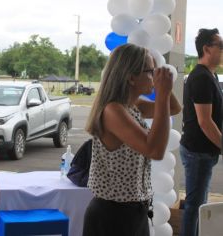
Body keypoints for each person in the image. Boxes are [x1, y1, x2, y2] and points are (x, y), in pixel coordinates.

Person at [82, 43, 181, 236]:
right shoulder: (113, 110)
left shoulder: (132, 106)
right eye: (150, 71)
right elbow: (154, 150)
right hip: (112, 216)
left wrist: (164, 88)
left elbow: (174, 108)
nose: (154, 76)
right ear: (131, 77)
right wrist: (162, 93)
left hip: (132, 211)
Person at [180, 28, 223, 236]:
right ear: (207, 48)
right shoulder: (202, 78)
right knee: (194, 207)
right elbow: (205, 122)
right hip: (198, 152)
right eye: (221, 46)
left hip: (204, 152)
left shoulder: (210, 75)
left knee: (198, 204)